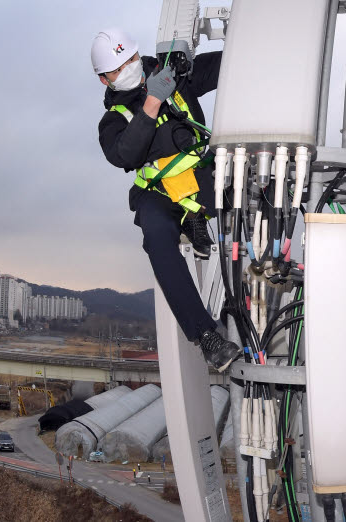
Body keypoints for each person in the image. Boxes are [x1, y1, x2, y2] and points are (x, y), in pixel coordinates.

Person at [91, 28, 240, 370]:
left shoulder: (173, 76)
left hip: (204, 182)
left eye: (130, 59)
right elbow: (125, 154)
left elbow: (227, 66)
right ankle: (206, 336)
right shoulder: (113, 120)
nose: (129, 67)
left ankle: (242, 297)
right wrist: (152, 102)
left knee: (254, 194)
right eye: (118, 67)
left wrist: (233, 40)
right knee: (157, 238)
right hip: (159, 194)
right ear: (105, 80)